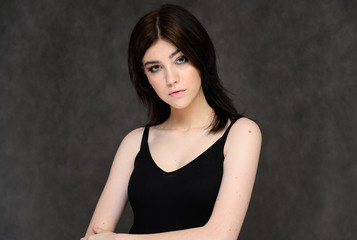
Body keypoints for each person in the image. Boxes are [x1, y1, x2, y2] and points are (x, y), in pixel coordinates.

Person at [81, 4, 261, 240]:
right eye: (155, 68)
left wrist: (120, 239)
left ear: (202, 57)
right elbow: (93, 237)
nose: (171, 79)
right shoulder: (134, 143)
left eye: (181, 59)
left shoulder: (241, 134)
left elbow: (220, 236)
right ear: (144, 77)